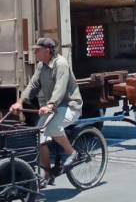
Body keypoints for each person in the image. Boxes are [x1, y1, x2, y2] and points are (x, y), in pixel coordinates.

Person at [10, 37, 83, 183]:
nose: (35, 52)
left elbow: (60, 89)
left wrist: (49, 105)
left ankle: (72, 153)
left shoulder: (61, 64)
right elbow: (32, 85)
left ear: (47, 51)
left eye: (38, 50)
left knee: (53, 127)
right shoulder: (41, 65)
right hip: (53, 108)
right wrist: (20, 102)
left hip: (70, 106)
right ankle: (47, 173)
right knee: (39, 135)